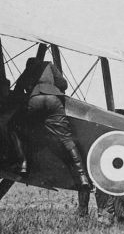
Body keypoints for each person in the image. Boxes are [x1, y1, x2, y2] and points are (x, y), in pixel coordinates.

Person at [13, 57, 91, 191]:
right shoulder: (49, 64)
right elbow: (63, 84)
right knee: (66, 138)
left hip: (35, 100)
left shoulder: (30, 66)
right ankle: (83, 177)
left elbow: (18, 88)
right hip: (53, 100)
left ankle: (23, 164)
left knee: (14, 126)